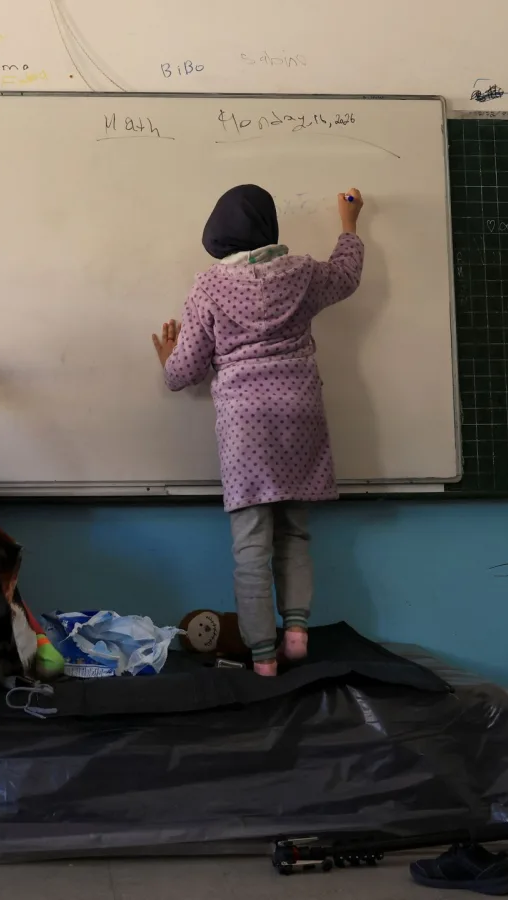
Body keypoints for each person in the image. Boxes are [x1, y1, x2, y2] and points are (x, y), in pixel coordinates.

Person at [152, 184, 365, 675]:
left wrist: (167, 358)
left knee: (251, 545)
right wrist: (349, 224)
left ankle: (264, 657)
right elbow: (347, 276)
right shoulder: (302, 272)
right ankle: (297, 633)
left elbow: (184, 373)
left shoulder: (208, 288)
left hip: (246, 424)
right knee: (294, 531)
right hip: (300, 413)